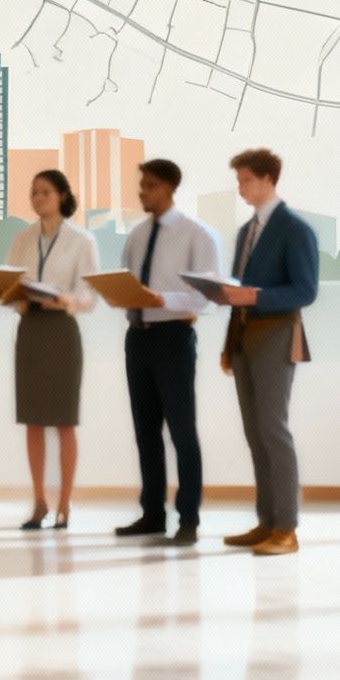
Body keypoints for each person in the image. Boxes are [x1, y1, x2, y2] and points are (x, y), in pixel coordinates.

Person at [215, 148, 318, 557]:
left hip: (276, 334)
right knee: (255, 433)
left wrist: (255, 296)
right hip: (243, 336)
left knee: (274, 430)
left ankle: (287, 528)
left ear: (267, 180)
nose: (240, 188)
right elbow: (241, 293)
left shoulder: (295, 230)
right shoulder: (246, 233)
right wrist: (229, 342)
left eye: (245, 180)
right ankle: (266, 522)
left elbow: (305, 290)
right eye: (238, 181)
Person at [114, 158, 221, 547]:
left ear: (170, 188)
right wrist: (120, 294)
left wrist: (162, 298)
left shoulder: (198, 235)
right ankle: (152, 514)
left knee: (181, 431)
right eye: (141, 185)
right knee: (146, 432)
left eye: (150, 186)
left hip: (174, 337)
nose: (143, 192)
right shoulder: (138, 234)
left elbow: (207, 298)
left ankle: (188, 518)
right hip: (138, 338)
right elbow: (127, 278)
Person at [5, 169, 99, 531]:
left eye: (44, 191)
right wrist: (16, 300)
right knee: (32, 420)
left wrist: (66, 300)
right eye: (34, 191)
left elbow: (90, 296)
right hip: (30, 329)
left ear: (61, 195)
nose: (38, 197)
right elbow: (9, 282)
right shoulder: (22, 239)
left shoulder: (81, 240)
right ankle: (39, 501)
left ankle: (65, 503)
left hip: (62, 331)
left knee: (64, 420)